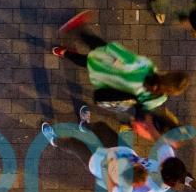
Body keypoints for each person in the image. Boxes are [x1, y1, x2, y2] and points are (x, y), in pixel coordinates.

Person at [53, 10, 189, 125]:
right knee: (86, 62)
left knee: (96, 45)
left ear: (168, 74)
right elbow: (142, 108)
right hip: (104, 79)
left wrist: (111, 48)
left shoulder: (146, 67)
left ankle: (78, 28)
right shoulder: (156, 99)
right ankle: (63, 52)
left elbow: (121, 54)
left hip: (106, 61)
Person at [40, 114, 185, 192]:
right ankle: (85, 126)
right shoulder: (170, 164)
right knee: (101, 127)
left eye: (163, 163)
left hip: (99, 163)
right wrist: (150, 124)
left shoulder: (145, 188)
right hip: (122, 151)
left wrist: (107, 169)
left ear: (163, 171)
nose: (163, 159)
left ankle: (54, 141)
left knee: (73, 144)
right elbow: (162, 144)